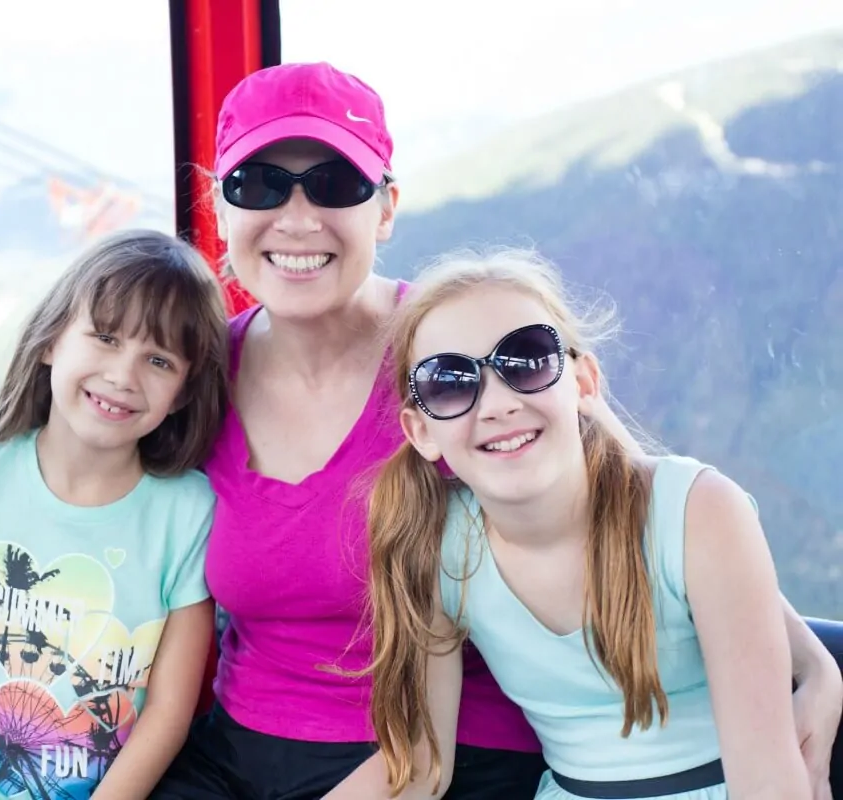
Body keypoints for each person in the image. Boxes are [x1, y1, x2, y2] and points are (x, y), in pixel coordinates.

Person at [150, 61, 843, 799]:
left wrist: (810, 659)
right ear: (218, 208)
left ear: (385, 210)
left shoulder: (470, 345)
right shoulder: (191, 376)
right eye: (256, 185)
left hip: (463, 752)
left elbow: (639, 499)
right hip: (241, 747)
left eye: (335, 184)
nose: (296, 218)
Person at [362, 247, 830, 799]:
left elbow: (767, 780)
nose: (496, 404)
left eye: (527, 360)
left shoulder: (698, 514)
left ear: (583, 383)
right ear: (421, 433)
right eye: (449, 382)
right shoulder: (443, 549)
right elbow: (420, 772)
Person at [0, 229, 230, 800]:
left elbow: (168, 714)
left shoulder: (188, 515)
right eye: (105, 337)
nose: (123, 376)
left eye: (157, 359)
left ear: (182, 392)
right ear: (52, 338)